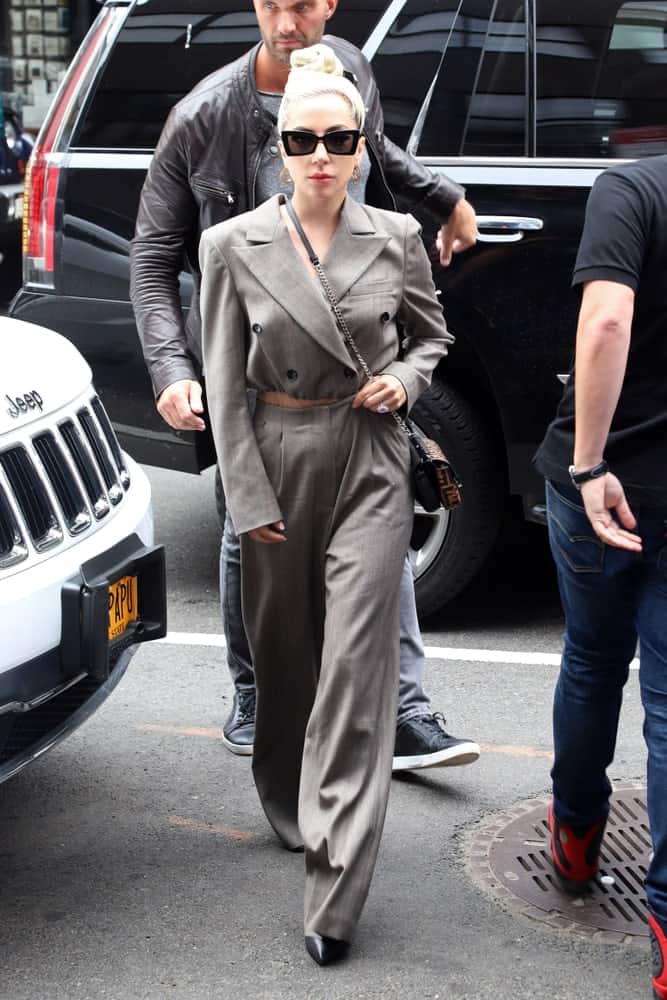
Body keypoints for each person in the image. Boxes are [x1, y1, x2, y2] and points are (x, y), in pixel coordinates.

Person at [130, 0, 480, 771]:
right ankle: (256, 691)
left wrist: (443, 198)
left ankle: (404, 710)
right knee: (246, 525)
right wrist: (172, 369)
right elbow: (153, 256)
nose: (287, 22)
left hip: (349, 346)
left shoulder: (348, 67)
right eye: (271, 4)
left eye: (303, 4)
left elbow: (376, 152)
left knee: (380, 530)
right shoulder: (203, 116)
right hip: (254, 359)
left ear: (329, 2)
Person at [200, 43, 452, 964]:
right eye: (302, 138)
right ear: (279, 144)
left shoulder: (395, 237)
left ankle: (333, 888)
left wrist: (403, 379)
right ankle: (287, 799)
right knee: (285, 659)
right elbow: (224, 387)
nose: (319, 155)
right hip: (273, 453)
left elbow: (432, 338)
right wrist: (245, 492)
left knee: (355, 674)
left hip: (370, 462)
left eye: (337, 138)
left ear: (358, 145)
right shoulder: (230, 245)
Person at [533, 154, 667, 999]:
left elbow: (605, 321)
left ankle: (576, 835)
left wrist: (588, 466)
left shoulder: (635, 187)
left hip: (606, 482)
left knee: (590, 658)